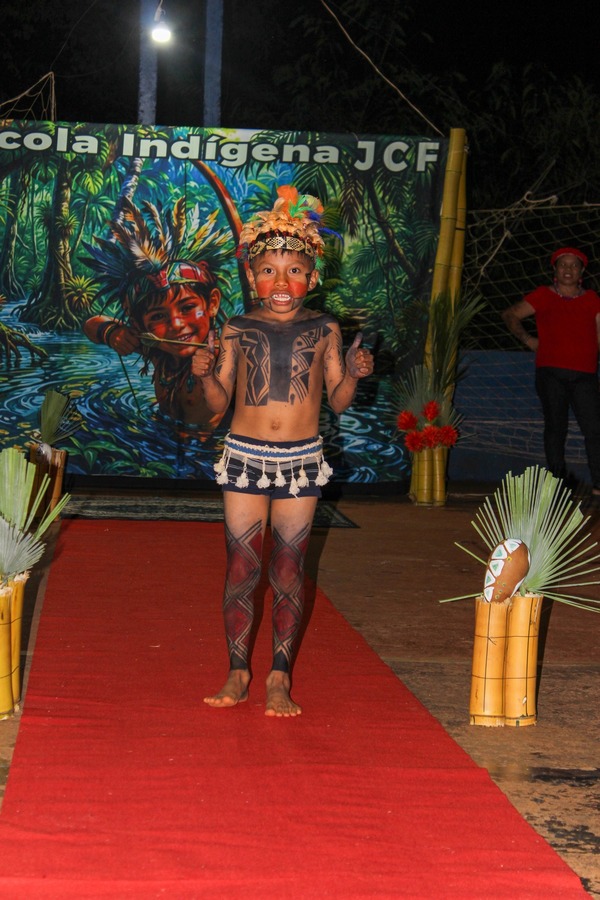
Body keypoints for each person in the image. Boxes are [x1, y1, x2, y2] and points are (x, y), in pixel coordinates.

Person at [192, 185, 374, 717]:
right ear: (252, 278)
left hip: (300, 462)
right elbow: (218, 404)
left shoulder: (324, 328)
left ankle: (279, 675)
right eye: (268, 271)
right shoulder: (237, 328)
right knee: (241, 567)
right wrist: (204, 375)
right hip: (244, 456)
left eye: (294, 271)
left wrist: (355, 375)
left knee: (290, 568)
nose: (280, 282)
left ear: (312, 279)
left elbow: (337, 400)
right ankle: (237, 670)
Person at [83, 198, 229, 429]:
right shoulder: (160, 352)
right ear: (139, 325)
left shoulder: (227, 356)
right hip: (161, 437)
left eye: (187, 308)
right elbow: (91, 324)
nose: (176, 324)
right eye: (158, 317)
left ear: (212, 303)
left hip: (210, 447)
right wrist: (113, 334)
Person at [502, 246, 600, 497]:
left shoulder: (592, 299)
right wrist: (528, 340)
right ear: (555, 270)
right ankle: (558, 483)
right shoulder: (543, 295)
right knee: (556, 428)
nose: (568, 269)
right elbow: (510, 314)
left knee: (594, 429)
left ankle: (599, 483)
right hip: (551, 373)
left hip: (585, 374)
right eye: (563, 264)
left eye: (574, 265)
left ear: (582, 271)